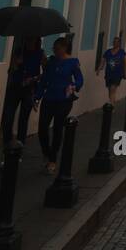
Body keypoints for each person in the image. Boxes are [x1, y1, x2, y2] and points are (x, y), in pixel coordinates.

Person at [34, 37, 84, 174]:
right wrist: (37, 97)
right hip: (49, 98)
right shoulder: (51, 61)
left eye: (57, 48)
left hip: (64, 100)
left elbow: (80, 79)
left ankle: (53, 160)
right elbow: (44, 80)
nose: (54, 51)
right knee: (42, 128)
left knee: (57, 128)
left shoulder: (73, 62)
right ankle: (47, 152)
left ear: (63, 48)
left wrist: (74, 86)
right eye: (54, 49)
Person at [2, 35, 46, 147]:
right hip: (15, 87)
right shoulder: (18, 51)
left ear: (37, 41)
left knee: (23, 118)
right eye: (27, 39)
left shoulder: (40, 54)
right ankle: (7, 143)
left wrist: (34, 79)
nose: (29, 42)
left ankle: (20, 144)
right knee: (8, 117)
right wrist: (16, 64)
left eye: (31, 39)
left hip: (30, 89)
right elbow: (10, 72)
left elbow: (46, 73)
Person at [100, 34, 126, 105]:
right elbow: (103, 61)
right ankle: (112, 103)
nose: (115, 43)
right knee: (110, 90)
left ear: (119, 43)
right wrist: (99, 68)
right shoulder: (108, 52)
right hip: (108, 74)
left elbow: (125, 63)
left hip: (117, 74)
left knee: (112, 89)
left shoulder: (122, 52)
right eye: (114, 42)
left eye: (117, 42)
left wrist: (125, 73)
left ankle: (111, 106)